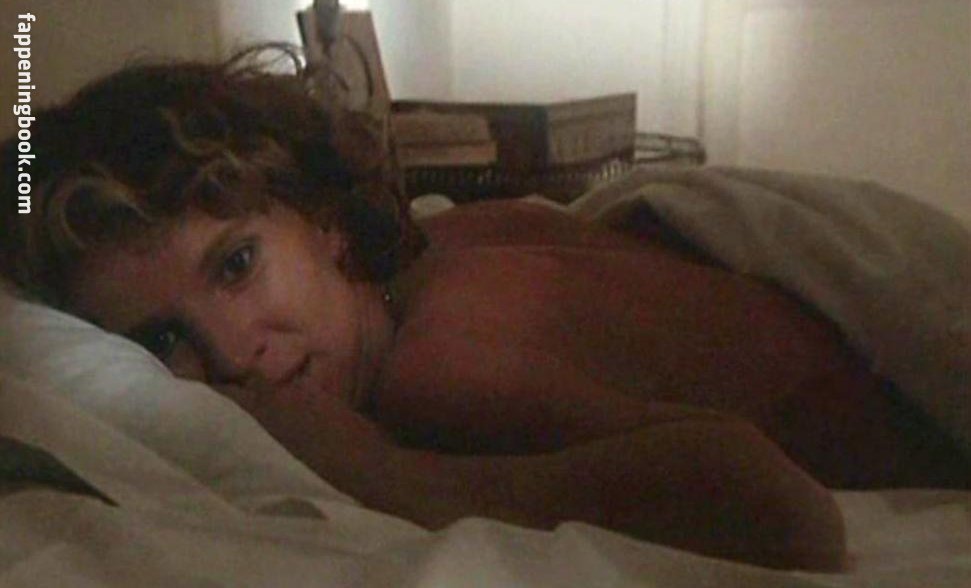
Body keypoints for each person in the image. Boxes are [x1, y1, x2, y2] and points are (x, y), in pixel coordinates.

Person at [2, 46, 968, 572]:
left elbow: (786, 515)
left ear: (325, 223)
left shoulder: (441, 365)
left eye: (236, 265)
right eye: (164, 337)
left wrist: (385, 473)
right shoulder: (435, 248)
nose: (229, 355)